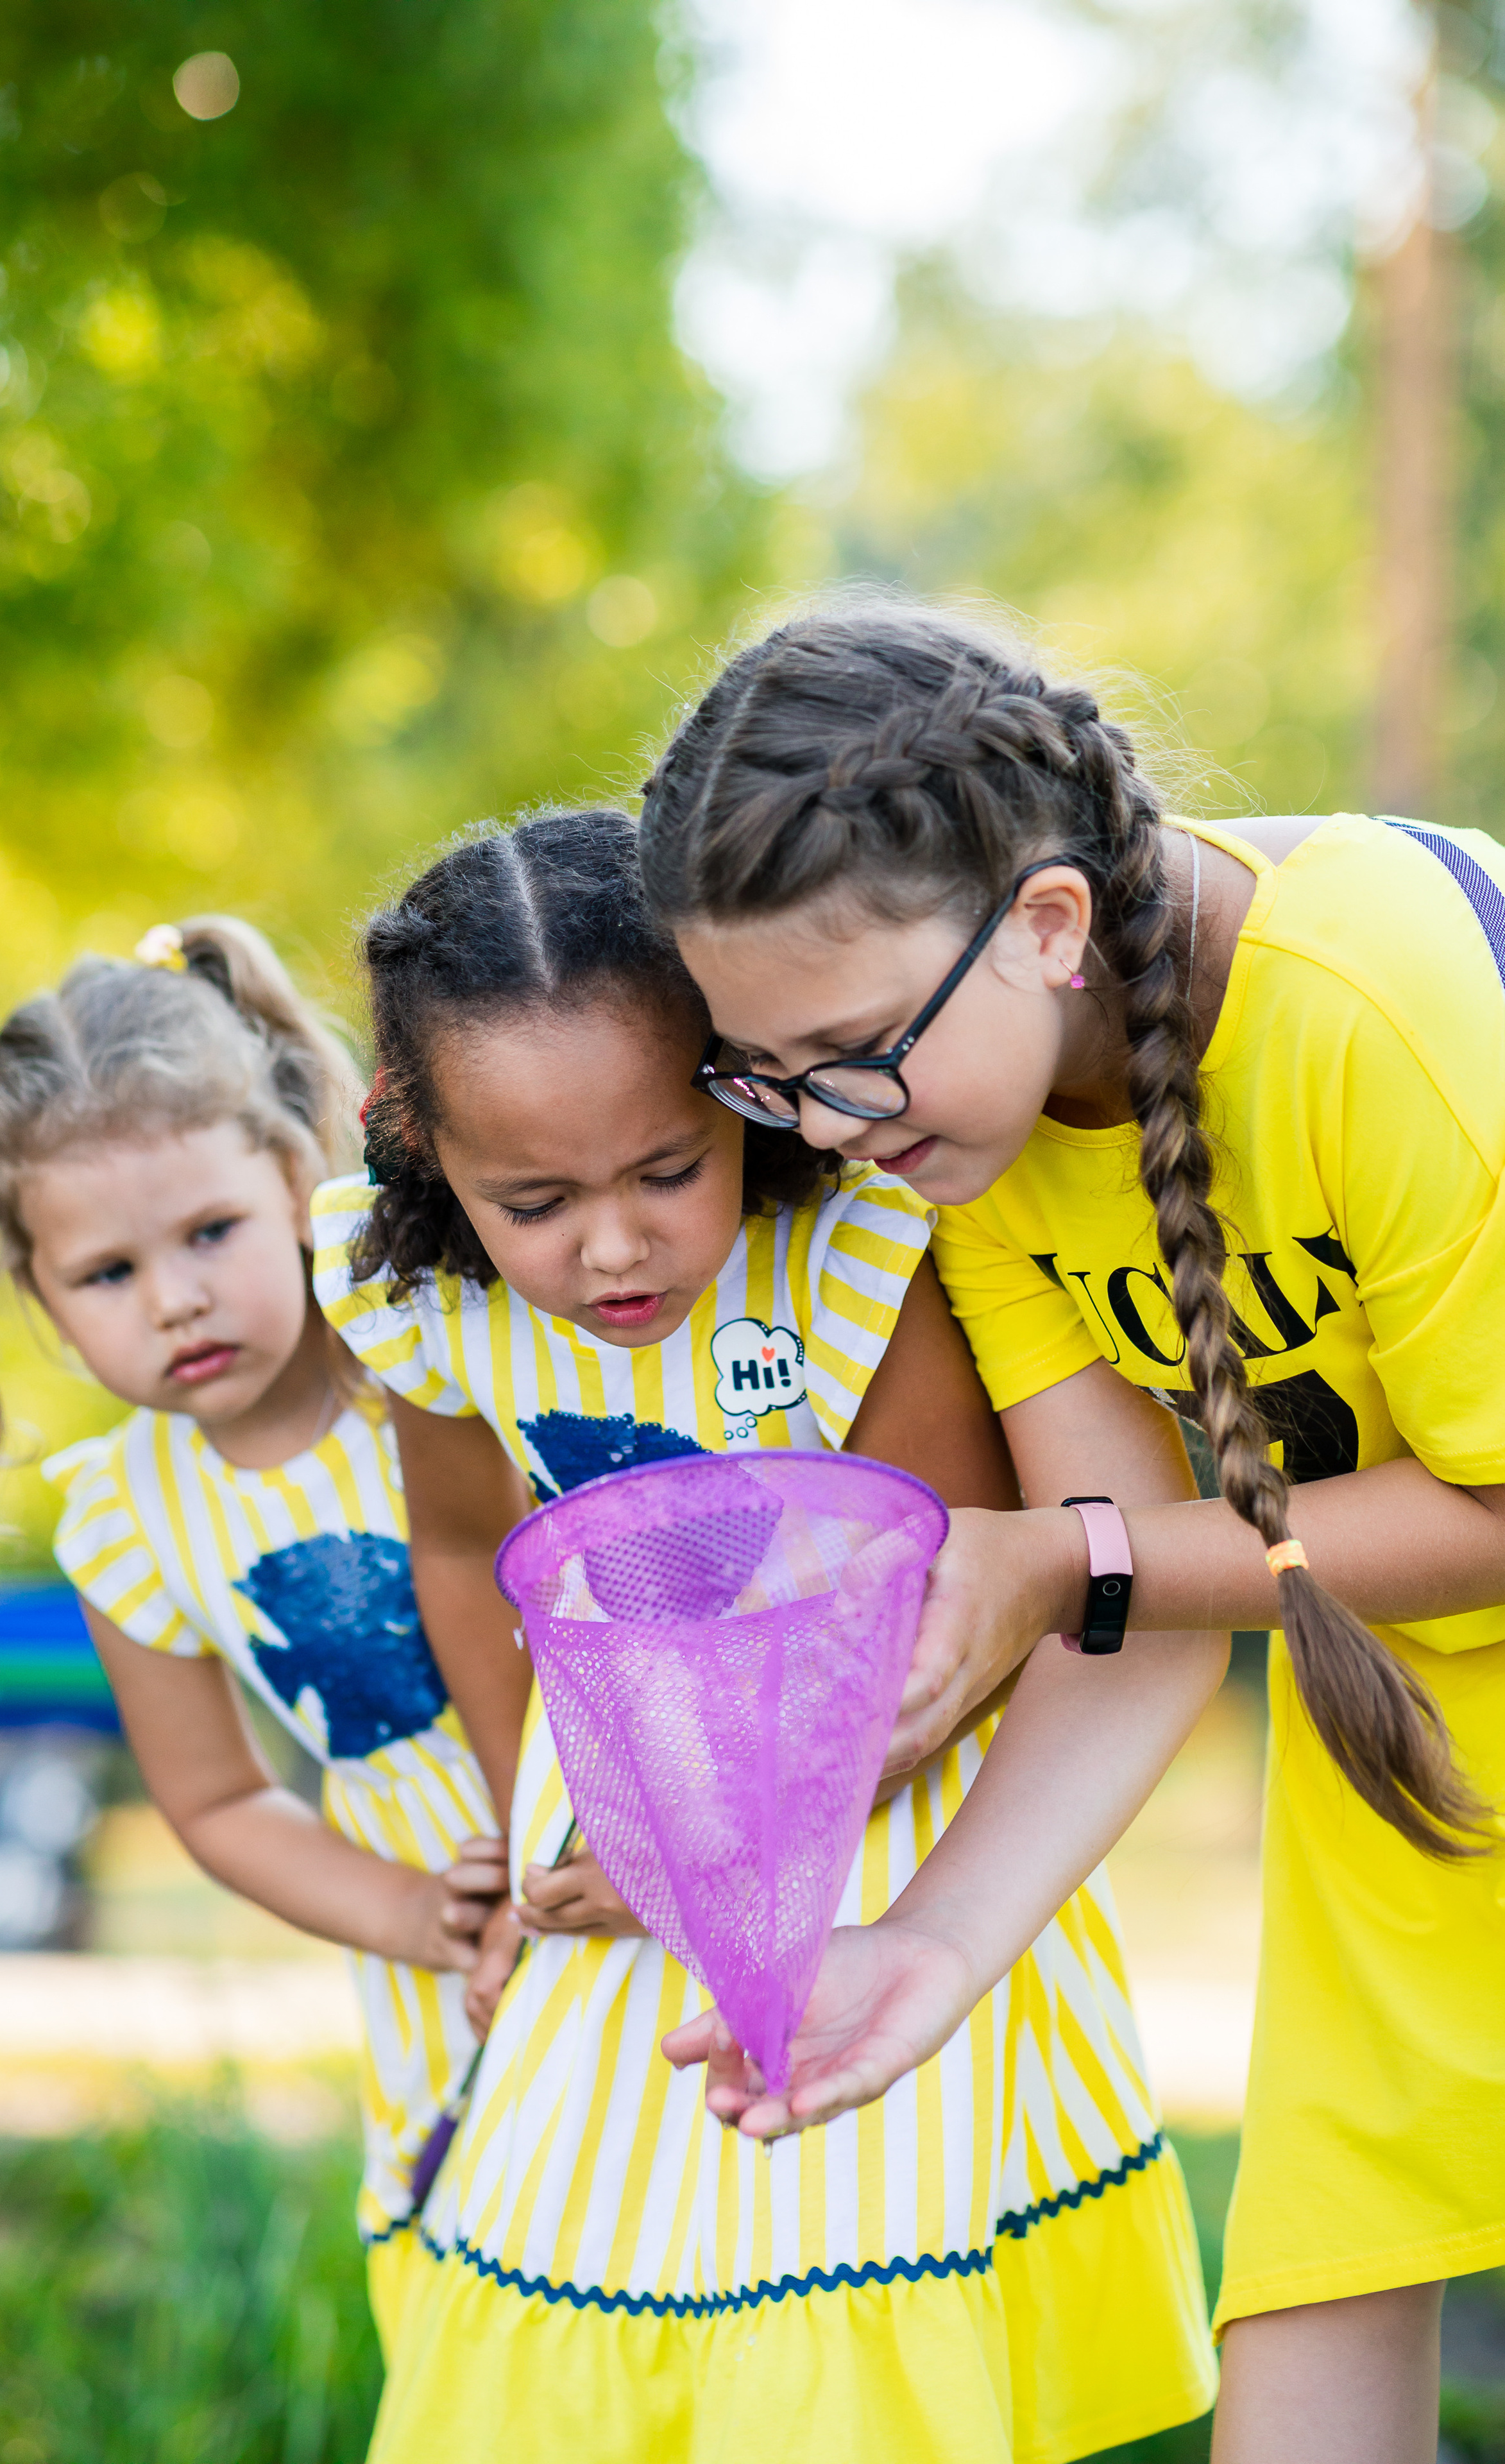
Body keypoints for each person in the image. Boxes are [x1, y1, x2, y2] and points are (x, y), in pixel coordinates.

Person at [638, 599, 1505, 2464]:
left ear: (1046, 925)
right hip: (1429, 1748)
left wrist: (1062, 1565)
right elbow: (1148, 1588)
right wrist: (930, 1951)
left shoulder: (1374, 1000)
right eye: (761, 1071)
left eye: (851, 1050)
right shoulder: (975, 1135)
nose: (820, 1122)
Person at [312, 804, 1216, 2464]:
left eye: (668, 1170)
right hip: (610, 1875)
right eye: (537, 1199)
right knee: (589, 2244)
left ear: (742, 1090)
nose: (612, 1244)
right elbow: (462, 1547)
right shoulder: (422, 1301)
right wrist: (548, 1822)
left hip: (862, 1840)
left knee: (825, 2267)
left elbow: (937, 1622)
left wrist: (709, 1836)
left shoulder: (855, 1260)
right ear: (425, 1149)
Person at [0, 916, 503, 2350]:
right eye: (108, 1275)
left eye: (209, 1232)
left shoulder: (447, 1354)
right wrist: (408, 1913)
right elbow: (214, 1799)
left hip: (638, 1859)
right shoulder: (128, 1522)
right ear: (40, 1295)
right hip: (443, 1963)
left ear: (291, 1177)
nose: (177, 1298)